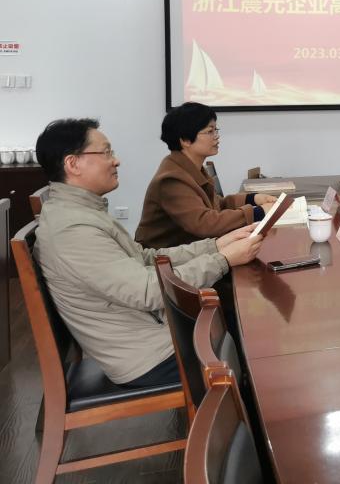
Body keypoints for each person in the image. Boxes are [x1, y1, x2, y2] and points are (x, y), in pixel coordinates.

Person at [33, 118, 263, 387]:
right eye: (106, 152)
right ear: (73, 164)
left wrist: (216, 245)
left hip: (151, 335)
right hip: (148, 357)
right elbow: (147, 291)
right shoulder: (73, 231)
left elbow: (144, 258)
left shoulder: (81, 212)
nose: (116, 161)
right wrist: (223, 260)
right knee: (252, 344)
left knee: (244, 327)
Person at [135, 102, 276, 249]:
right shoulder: (171, 180)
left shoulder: (190, 168)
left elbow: (216, 206)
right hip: (165, 258)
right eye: (210, 131)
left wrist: (253, 199)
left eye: (216, 130)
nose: (216, 137)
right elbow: (205, 224)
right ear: (185, 140)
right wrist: (258, 212)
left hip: (190, 252)